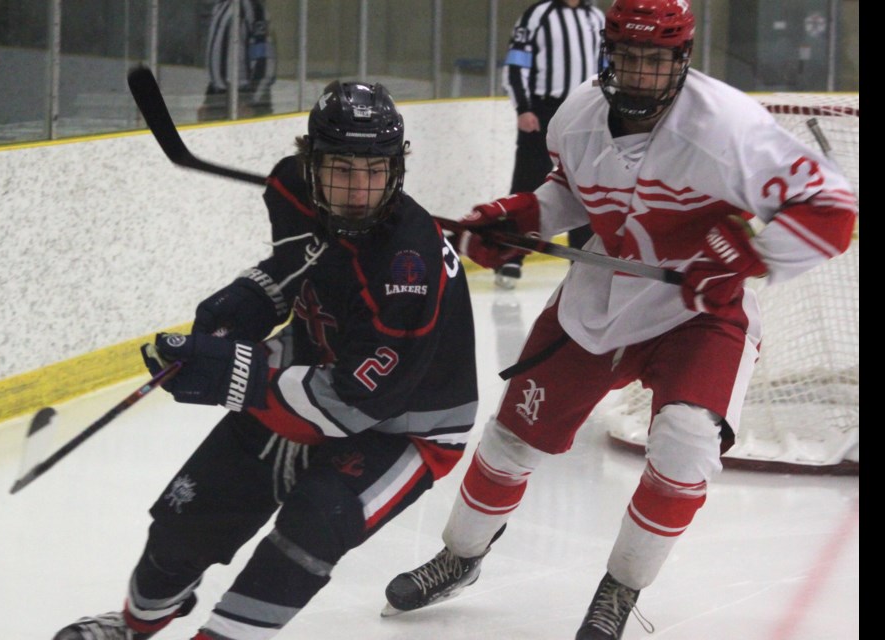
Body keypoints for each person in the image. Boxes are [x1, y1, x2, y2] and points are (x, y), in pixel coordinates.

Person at [383, 0, 857, 638]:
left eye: (654, 59)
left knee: (687, 446)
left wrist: (743, 254)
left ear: (682, 58)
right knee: (511, 441)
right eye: (627, 56)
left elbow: (831, 207)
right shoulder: (578, 113)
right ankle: (462, 556)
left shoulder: (728, 128)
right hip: (599, 300)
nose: (638, 72)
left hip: (700, 312)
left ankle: (620, 589)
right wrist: (517, 218)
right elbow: (570, 192)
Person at [54, 81, 479, 640]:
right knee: (187, 518)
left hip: (403, 428)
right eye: (342, 170)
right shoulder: (294, 189)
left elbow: (351, 405)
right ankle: (134, 626)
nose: (358, 190)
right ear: (312, 162)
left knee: (313, 526)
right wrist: (252, 298)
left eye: (374, 171)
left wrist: (227, 370)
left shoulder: (407, 268)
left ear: (396, 169)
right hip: (313, 369)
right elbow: (301, 261)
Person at [495, 0, 604, 289]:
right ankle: (510, 257)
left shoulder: (596, 17)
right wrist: (523, 108)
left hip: (586, 114)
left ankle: (581, 262)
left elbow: (608, 67)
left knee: (586, 188)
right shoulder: (537, 15)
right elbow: (516, 64)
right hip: (542, 111)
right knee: (528, 184)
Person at [197, 0, 276, 121]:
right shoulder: (220, 6)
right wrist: (209, 99)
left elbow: (265, 62)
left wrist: (251, 102)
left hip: (244, 99)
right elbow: (218, 62)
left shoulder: (253, 9)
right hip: (220, 98)